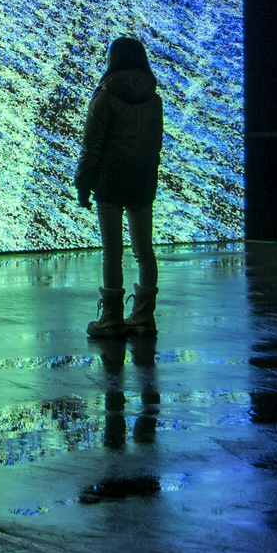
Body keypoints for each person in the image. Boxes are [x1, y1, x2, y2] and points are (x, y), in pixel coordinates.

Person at [75, 36, 164, 338]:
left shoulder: (104, 96)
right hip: (142, 181)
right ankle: (143, 316)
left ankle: (111, 317)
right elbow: (155, 146)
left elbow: (91, 147)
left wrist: (83, 185)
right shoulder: (154, 99)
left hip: (110, 181)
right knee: (144, 252)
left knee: (112, 252)